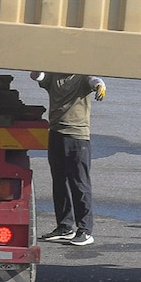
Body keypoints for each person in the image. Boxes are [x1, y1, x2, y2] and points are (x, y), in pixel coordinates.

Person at [32, 72, 105, 246]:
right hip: (56, 134)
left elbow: (95, 80)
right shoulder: (54, 76)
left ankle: (85, 230)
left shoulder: (82, 77)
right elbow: (36, 76)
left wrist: (100, 86)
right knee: (59, 181)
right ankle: (64, 227)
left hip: (77, 137)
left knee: (79, 183)